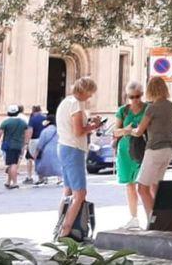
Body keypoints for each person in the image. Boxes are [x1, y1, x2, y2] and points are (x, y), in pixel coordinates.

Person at [55, 76, 107, 240]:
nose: (90, 97)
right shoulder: (76, 105)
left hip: (63, 146)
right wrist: (94, 126)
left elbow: (72, 126)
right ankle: (66, 230)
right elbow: (78, 131)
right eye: (90, 93)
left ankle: (60, 224)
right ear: (85, 91)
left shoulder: (66, 102)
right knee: (80, 193)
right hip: (74, 148)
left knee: (68, 190)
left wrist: (89, 123)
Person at [131, 76, 172, 224]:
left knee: (142, 188)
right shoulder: (171, 106)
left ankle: (153, 221)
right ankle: (163, 220)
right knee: (156, 185)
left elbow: (139, 131)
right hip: (169, 149)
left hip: (155, 148)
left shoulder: (152, 108)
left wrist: (128, 131)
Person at [113, 82, 147, 230]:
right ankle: (134, 218)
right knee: (130, 185)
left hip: (142, 149)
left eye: (137, 96)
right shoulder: (123, 111)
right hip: (125, 150)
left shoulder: (147, 109)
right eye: (131, 97)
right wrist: (126, 130)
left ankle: (151, 217)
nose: (135, 100)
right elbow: (115, 131)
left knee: (145, 185)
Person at [0, 104, 32, 190]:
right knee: (13, 163)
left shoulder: (6, 122)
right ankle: (8, 181)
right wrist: (26, 143)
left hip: (8, 145)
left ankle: (14, 182)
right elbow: (28, 132)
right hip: (18, 145)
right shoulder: (22, 122)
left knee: (12, 164)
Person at [33, 118, 61, 184]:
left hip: (47, 150)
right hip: (58, 149)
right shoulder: (59, 130)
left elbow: (40, 143)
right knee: (58, 164)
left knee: (42, 164)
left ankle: (41, 178)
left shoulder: (45, 131)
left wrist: (36, 153)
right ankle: (60, 179)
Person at [25, 105, 47, 184]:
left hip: (34, 140)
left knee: (35, 158)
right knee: (42, 158)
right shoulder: (45, 118)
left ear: (33, 111)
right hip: (44, 140)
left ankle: (40, 178)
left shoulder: (32, 119)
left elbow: (30, 131)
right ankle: (44, 176)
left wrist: (27, 142)